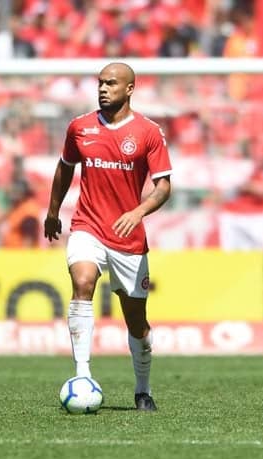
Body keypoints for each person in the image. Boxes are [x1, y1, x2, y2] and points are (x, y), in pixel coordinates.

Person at [44, 62, 172, 411]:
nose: (103, 89)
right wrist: (54, 211)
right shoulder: (80, 128)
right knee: (82, 282)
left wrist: (138, 211)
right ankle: (82, 375)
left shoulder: (148, 132)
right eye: (100, 83)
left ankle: (142, 389)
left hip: (128, 238)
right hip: (87, 226)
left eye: (111, 83)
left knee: (136, 322)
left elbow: (163, 187)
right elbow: (64, 167)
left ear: (130, 88)